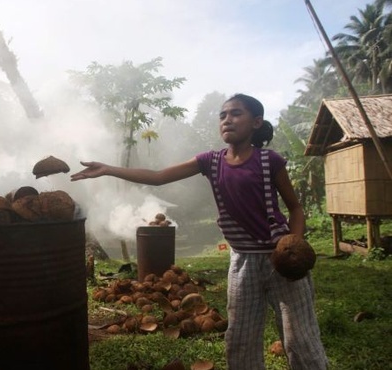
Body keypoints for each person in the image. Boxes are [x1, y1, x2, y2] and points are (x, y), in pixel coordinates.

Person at [70, 93, 328, 370]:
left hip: (281, 260)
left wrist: (294, 245)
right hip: (242, 262)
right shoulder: (211, 161)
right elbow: (158, 177)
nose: (227, 119)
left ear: (256, 122)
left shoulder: (269, 160)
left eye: (236, 113)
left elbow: (295, 208)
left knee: (299, 338)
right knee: (240, 338)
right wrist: (108, 169)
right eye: (223, 115)